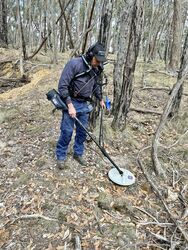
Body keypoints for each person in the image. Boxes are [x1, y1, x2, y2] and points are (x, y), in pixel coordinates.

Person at [56, 42, 106, 169]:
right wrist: (69, 105)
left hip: (84, 104)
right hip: (71, 102)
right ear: (90, 55)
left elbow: (95, 85)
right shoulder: (74, 64)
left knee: (82, 132)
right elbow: (62, 86)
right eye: (97, 60)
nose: (99, 63)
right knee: (67, 131)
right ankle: (61, 156)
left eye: (101, 61)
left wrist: (100, 99)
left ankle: (78, 153)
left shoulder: (96, 69)